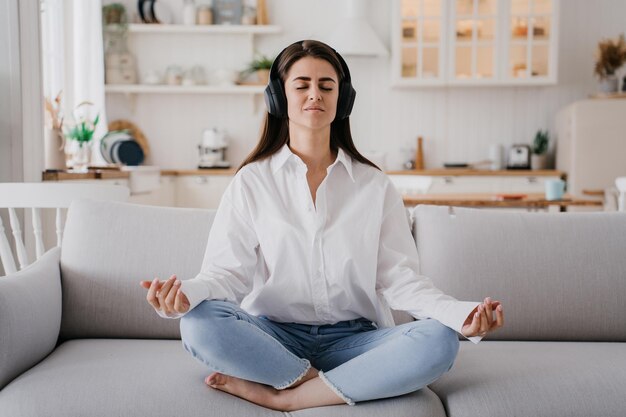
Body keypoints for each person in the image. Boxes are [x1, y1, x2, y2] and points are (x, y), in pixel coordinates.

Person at [140, 40, 504, 411]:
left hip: (358, 343)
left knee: (439, 340)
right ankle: (315, 381)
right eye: (302, 85)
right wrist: (186, 295)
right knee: (198, 322)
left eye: (326, 86)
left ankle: (288, 396)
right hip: (274, 337)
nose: (315, 94)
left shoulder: (374, 185)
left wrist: (460, 316)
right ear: (279, 98)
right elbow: (226, 275)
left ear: (342, 99)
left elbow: (401, 280)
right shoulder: (252, 181)